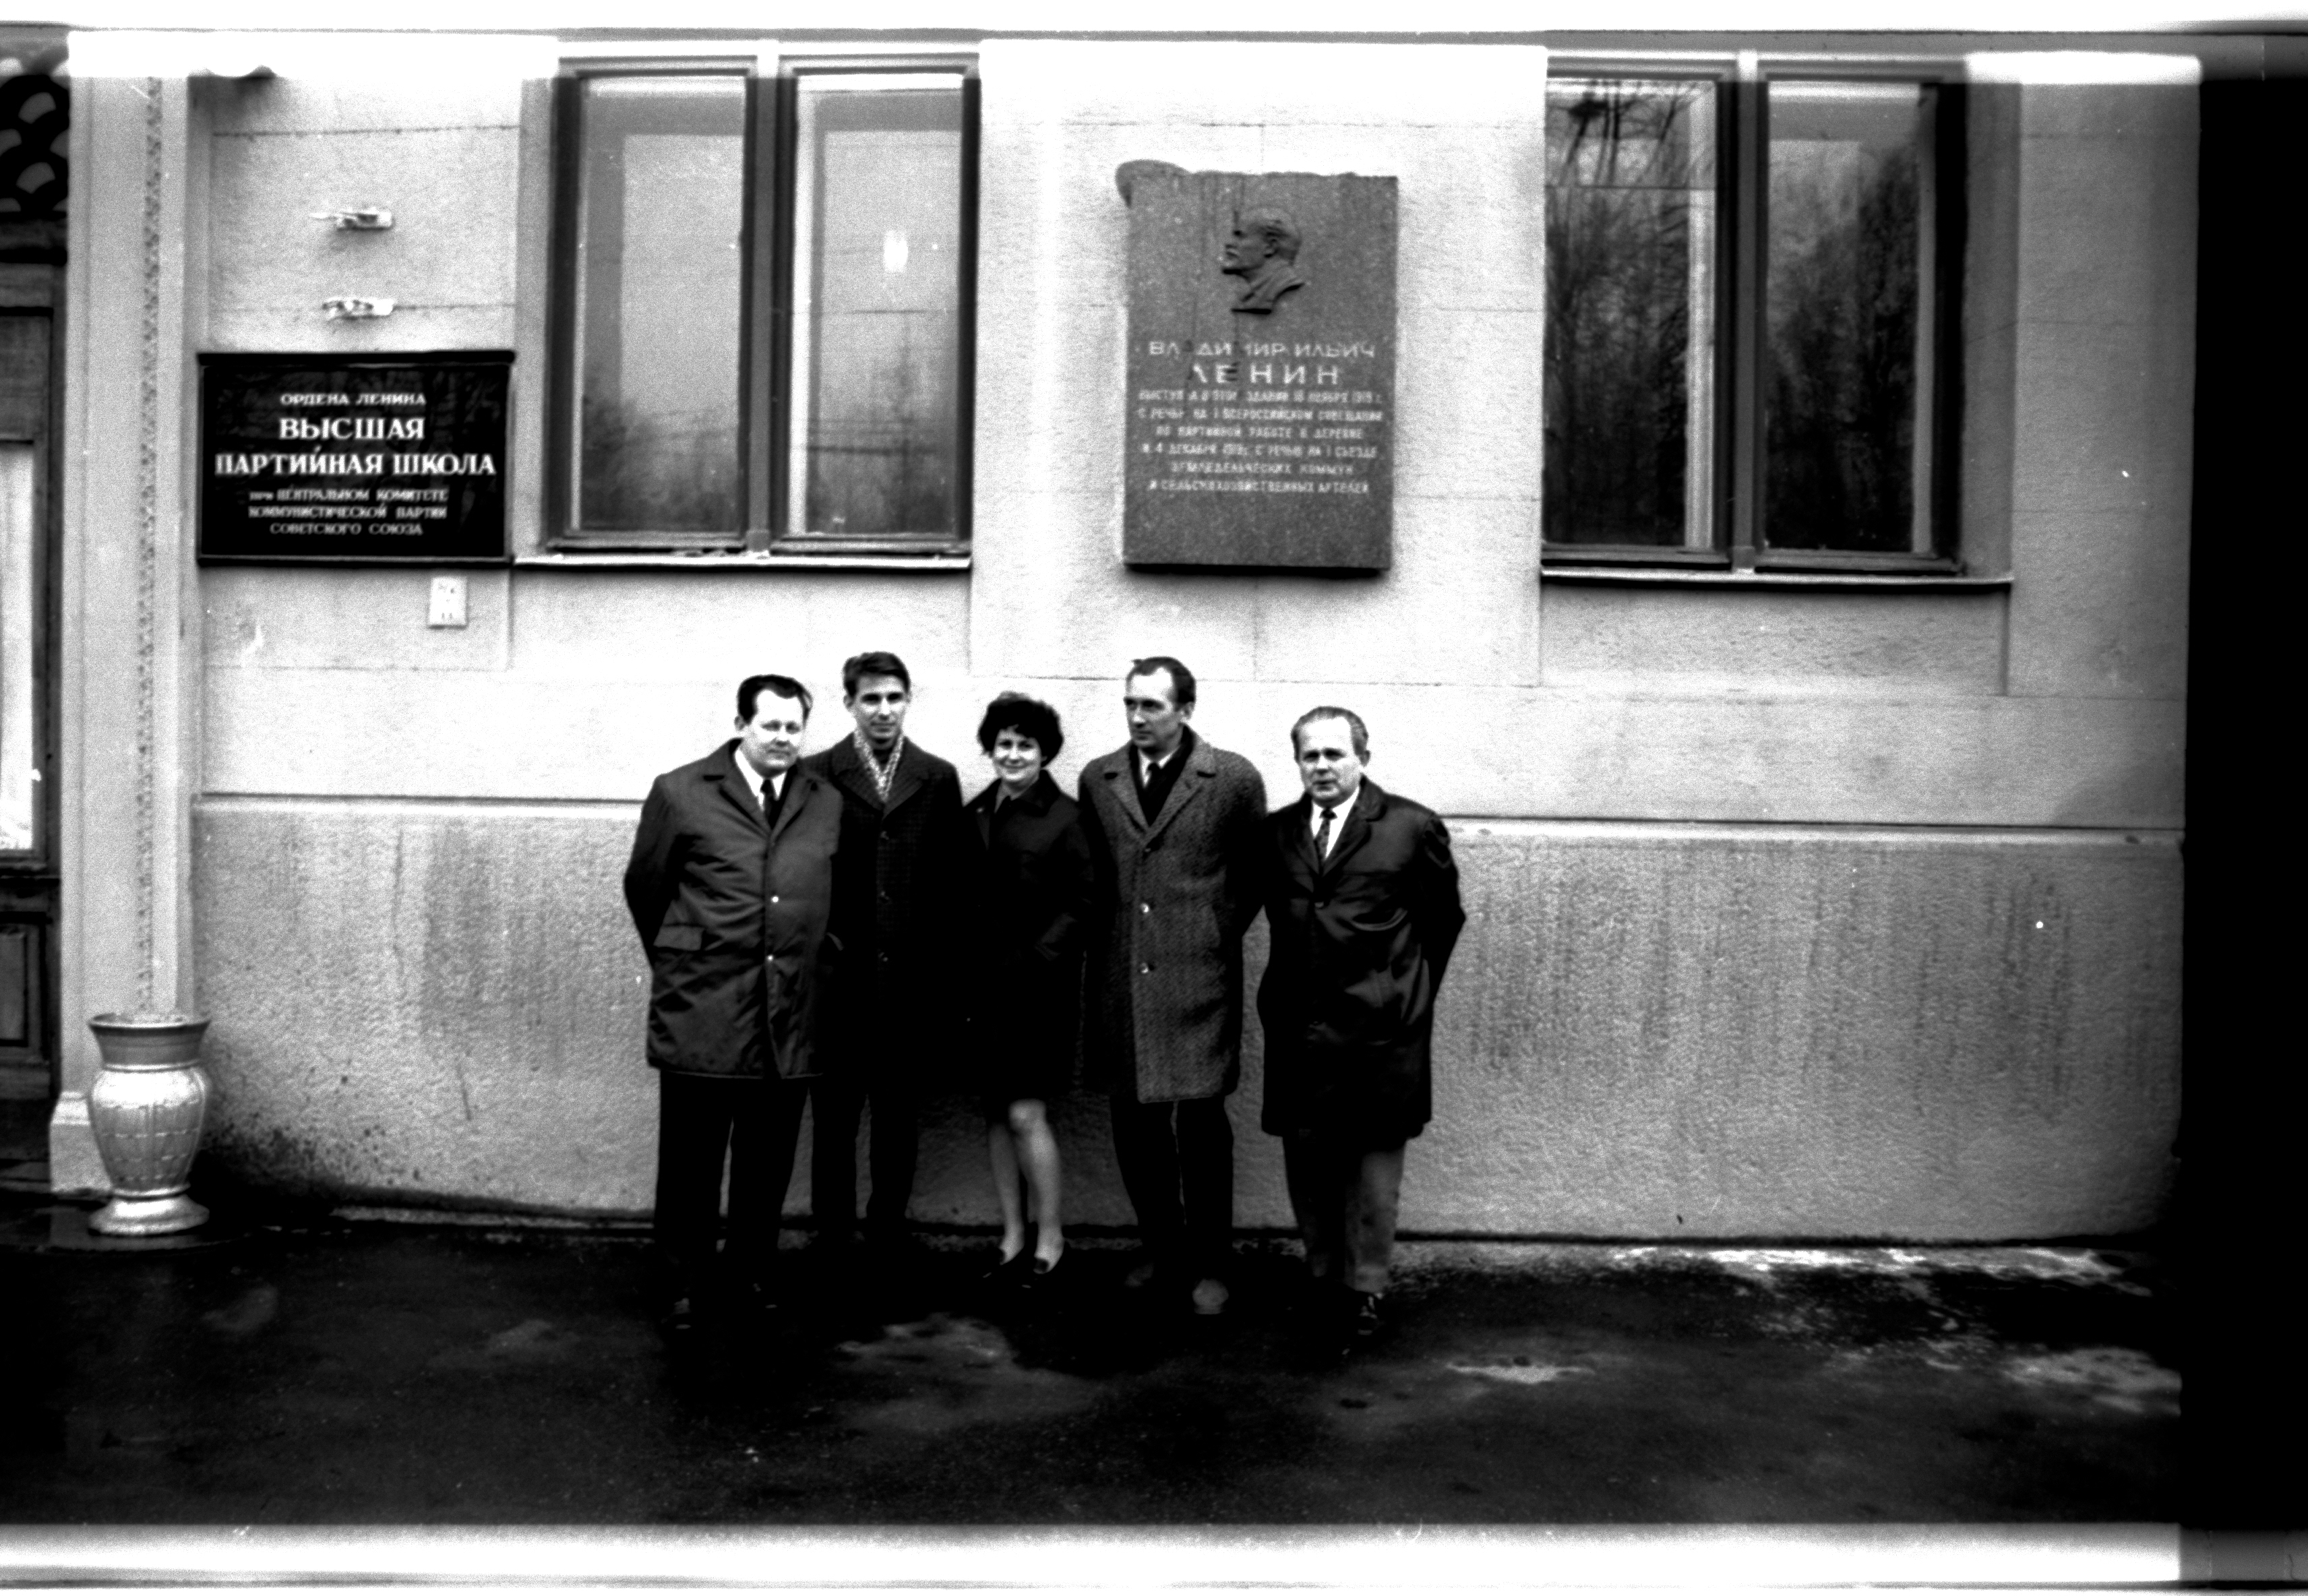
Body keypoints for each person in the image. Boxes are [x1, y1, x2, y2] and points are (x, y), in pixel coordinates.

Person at [623, 673, 844, 1334]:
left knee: (766, 1160)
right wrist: (689, 960)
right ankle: (680, 1284)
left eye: (794, 727)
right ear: (742, 725)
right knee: (691, 1163)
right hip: (704, 1008)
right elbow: (646, 889)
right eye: (770, 725)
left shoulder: (823, 800)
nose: (783, 738)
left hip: (789, 1012)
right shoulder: (682, 791)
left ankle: (749, 1274)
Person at [1254, 706, 1465, 1347]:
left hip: (1380, 1035)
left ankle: (1366, 1287)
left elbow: (1442, 922)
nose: (1322, 766)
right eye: (1310, 756)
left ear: (1362, 759)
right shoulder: (1277, 833)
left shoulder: (1410, 826)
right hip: (1300, 1030)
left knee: (1374, 1174)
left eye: (1334, 754)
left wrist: (1400, 996)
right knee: (1309, 1164)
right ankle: (1323, 1276)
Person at [1076, 656, 1268, 1315]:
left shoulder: (1232, 778)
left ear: (1185, 709)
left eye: (1152, 706)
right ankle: (1162, 1249)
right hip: (1123, 973)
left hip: (1199, 977)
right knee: (1135, 1121)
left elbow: (1252, 872)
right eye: (1130, 704)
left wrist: (1212, 930)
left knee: (1203, 1123)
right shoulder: (1099, 777)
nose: (1137, 717)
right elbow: (1098, 874)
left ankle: (1213, 1263)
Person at [799, 650, 967, 1256]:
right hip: (839, 983)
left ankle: (887, 1230)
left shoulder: (937, 777)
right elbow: (803, 872)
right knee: (835, 1119)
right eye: (871, 699)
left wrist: (939, 977)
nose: (884, 710)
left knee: (897, 1120)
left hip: (907, 986)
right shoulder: (817, 774)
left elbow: (951, 883)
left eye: (894, 697)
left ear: (909, 700)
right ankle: (832, 1235)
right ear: (849, 704)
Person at [961, 693, 1096, 1285]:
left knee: (1025, 1113)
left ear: (1045, 753)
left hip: (1037, 992)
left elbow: (1085, 900)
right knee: (995, 1112)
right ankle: (1012, 1232)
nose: (1013, 754)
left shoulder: (1066, 817)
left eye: (1025, 745)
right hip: (981, 989)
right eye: (1004, 744)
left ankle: (1051, 1235)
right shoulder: (976, 812)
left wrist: (1038, 957)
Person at [1219, 206, 1309, 313]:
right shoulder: (1255, 294)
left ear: (1270, 247)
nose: (1229, 244)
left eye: (1240, 236)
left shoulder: (1275, 288)